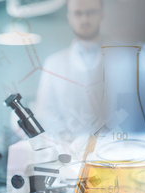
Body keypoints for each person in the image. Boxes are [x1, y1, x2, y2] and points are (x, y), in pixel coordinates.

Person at [35, 0, 106, 143]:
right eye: (78, 13)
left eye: (90, 12)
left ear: (102, 14)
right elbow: (45, 114)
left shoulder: (122, 58)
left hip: (116, 152)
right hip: (72, 155)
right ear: (69, 17)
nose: (84, 19)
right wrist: (70, 142)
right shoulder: (53, 63)